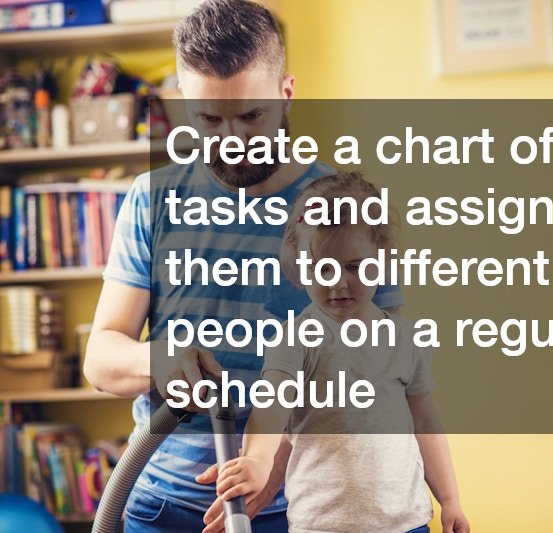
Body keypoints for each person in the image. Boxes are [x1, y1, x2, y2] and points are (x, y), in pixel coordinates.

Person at [82, 1, 402, 532]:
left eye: (252, 115)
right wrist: (156, 361)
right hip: (161, 506)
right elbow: (100, 357)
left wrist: (271, 460)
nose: (232, 140)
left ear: (286, 94)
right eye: (209, 119)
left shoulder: (349, 209)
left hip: (302, 508)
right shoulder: (151, 199)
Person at [214, 172, 470, 533]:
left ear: (381, 261)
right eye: (322, 269)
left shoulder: (406, 338)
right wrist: (257, 458)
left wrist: (451, 501)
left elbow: (426, 424)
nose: (338, 282)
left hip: (405, 523)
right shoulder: (296, 338)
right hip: (320, 524)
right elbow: (271, 405)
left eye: (353, 267)